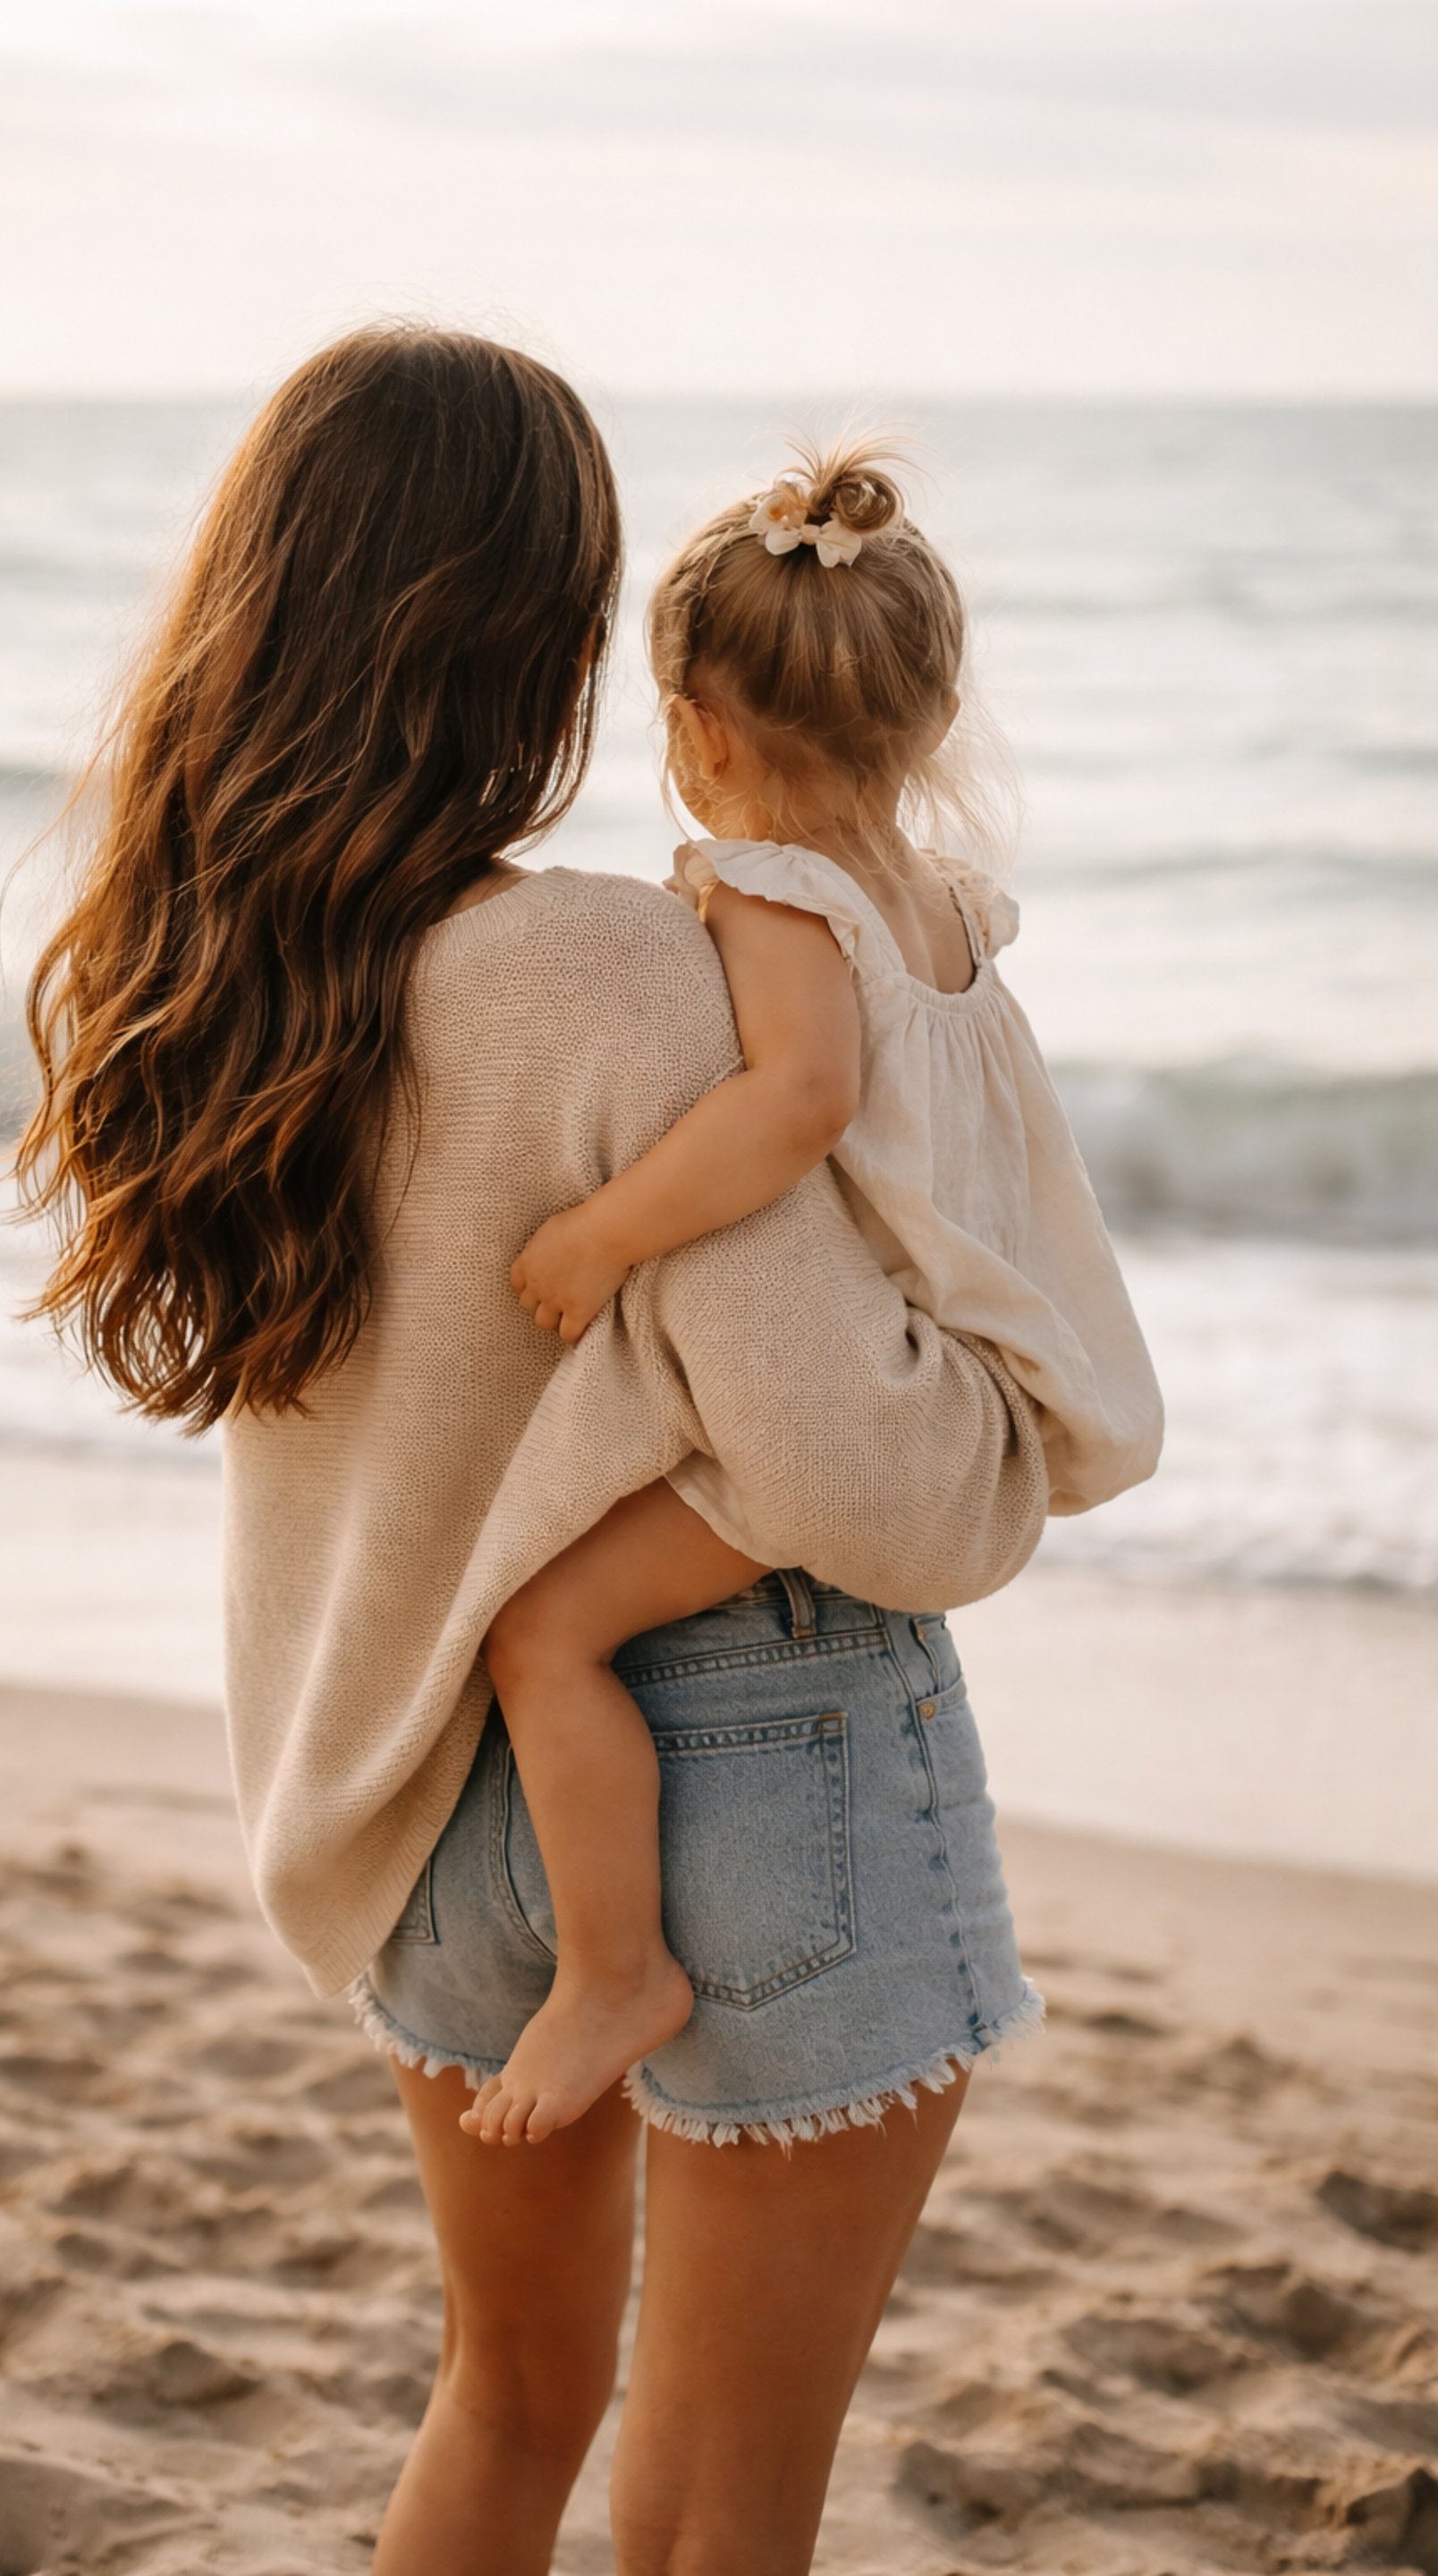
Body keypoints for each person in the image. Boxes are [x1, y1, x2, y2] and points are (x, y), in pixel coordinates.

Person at [19, 326, 1060, 2574]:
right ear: (533, 634)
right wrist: (1015, 1442)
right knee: (717, 2517)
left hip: (420, 1800)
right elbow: (865, 1484)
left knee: (504, 2410)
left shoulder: (203, 978)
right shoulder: (610, 977)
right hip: (757, 1765)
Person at [465, 441, 1163, 2148]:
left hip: (893, 1422)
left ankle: (613, 1970)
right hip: (978, 1376)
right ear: (925, 722)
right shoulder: (943, 908)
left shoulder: (775, 896)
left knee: (540, 1633)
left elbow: (796, 1106)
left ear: (694, 726)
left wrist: (606, 1231)